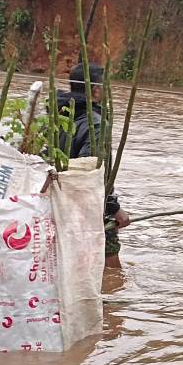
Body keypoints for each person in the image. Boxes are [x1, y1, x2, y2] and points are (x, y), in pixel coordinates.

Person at [57, 63, 130, 269]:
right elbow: (91, 174)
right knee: (111, 271)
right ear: (97, 89)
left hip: (59, 203)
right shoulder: (95, 123)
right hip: (88, 207)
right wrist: (113, 208)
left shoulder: (57, 115)